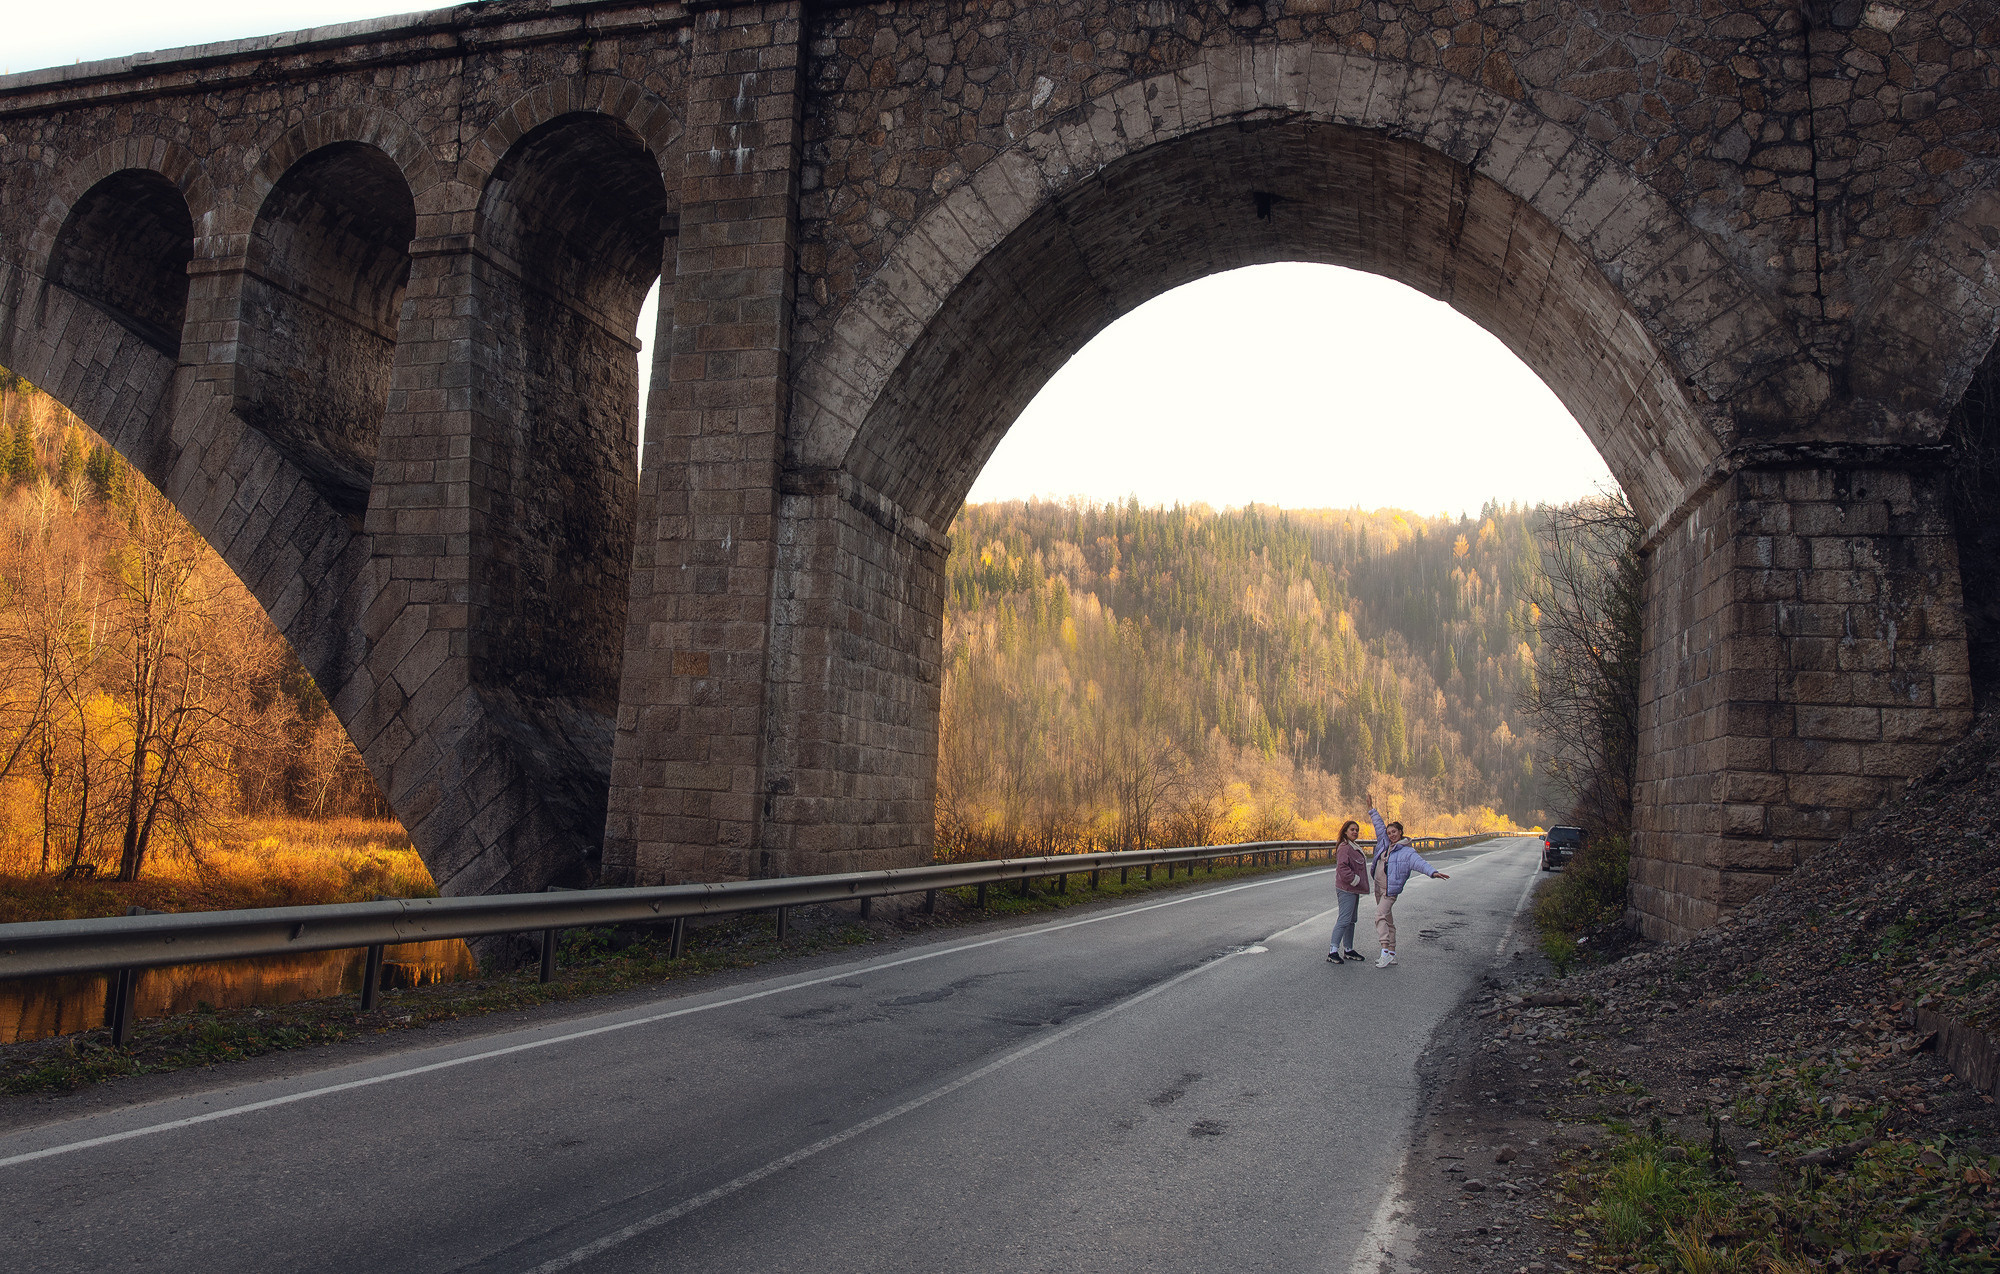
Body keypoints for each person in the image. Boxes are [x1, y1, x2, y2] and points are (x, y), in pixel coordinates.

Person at [1365, 792, 1449, 968]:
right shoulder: (1385, 844)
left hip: (1390, 891)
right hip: (1379, 888)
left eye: (1394, 832)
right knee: (1388, 920)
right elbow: (1379, 825)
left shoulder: (1407, 852)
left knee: (1379, 916)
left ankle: (1384, 951)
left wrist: (1433, 873)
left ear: (1401, 832)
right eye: (1389, 833)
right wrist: (1371, 809)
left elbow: (1420, 863)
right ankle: (1392, 954)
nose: (1391, 835)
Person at [1327, 820, 1369, 964]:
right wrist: (1354, 879)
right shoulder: (1345, 847)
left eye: (1357, 830)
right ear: (1345, 831)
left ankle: (1348, 949)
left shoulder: (1353, 846)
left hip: (1353, 888)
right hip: (1346, 889)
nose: (1355, 832)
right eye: (1352, 829)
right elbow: (1342, 868)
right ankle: (1333, 951)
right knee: (1344, 920)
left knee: (1351, 920)